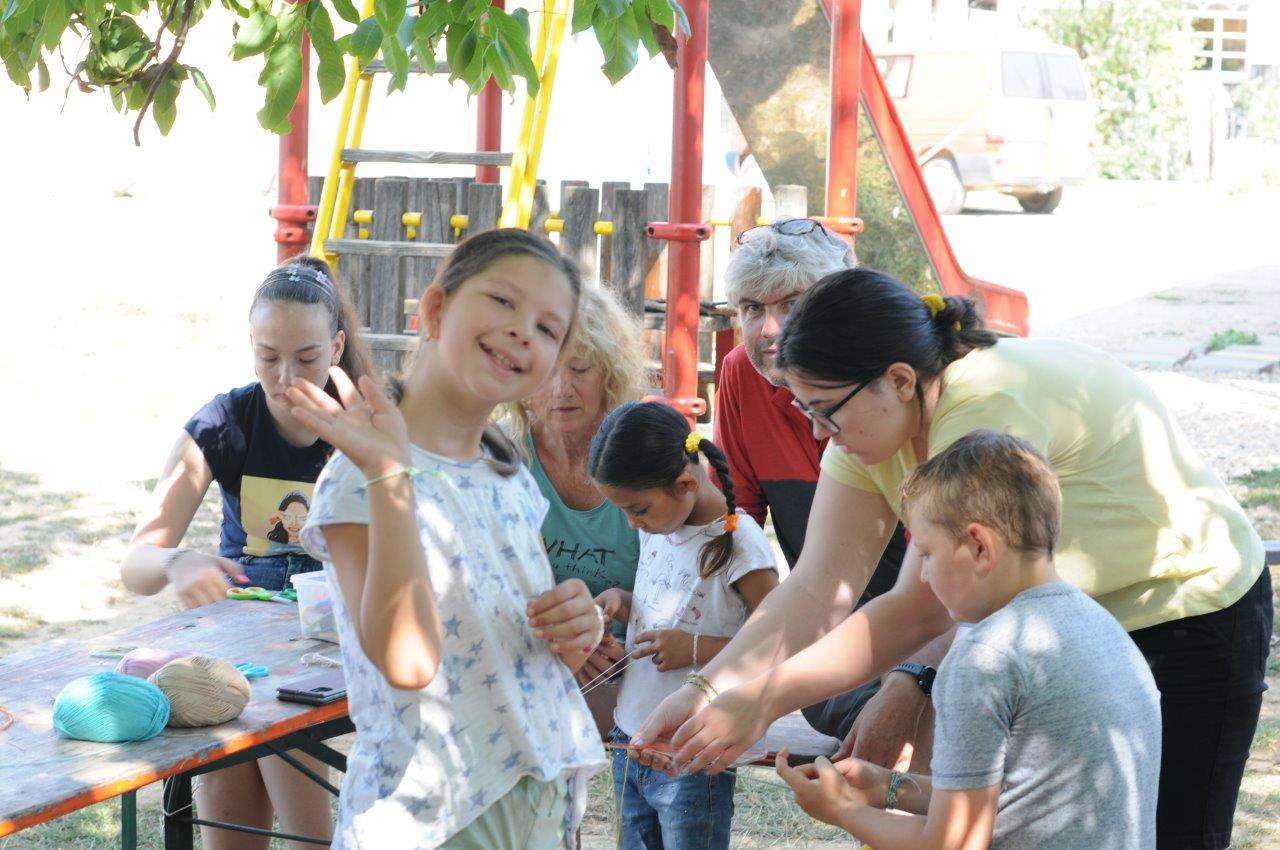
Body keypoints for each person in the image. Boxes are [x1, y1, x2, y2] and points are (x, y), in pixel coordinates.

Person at [634, 268, 1271, 850]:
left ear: (900, 380)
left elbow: (920, 609)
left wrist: (766, 701)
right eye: (805, 409)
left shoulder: (981, 418)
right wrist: (711, 687)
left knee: (1175, 833)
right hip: (1068, 628)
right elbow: (817, 588)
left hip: (1185, 607)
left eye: (824, 409)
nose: (817, 433)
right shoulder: (869, 427)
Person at [290, 229, 608, 850]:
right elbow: (407, 664)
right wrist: (390, 478)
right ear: (435, 309)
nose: (523, 331)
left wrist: (580, 627)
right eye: (504, 302)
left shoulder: (509, 472)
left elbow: (523, 652)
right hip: (434, 817)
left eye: (549, 328)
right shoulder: (363, 470)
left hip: (539, 793)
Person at [777, 430, 1161, 849]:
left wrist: (841, 811)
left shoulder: (985, 658)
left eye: (927, 553)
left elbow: (951, 843)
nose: (922, 575)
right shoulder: (1097, 625)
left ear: (979, 546)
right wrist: (889, 786)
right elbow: (1015, 800)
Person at [120, 255, 370, 848]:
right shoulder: (225, 421)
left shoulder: (369, 425)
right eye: (267, 357)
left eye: (307, 358)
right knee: (230, 803)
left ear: (336, 347)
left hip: (324, 659)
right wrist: (179, 562)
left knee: (280, 750)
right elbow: (137, 565)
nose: (285, 378)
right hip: (238, 656)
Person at [717, 218, 922, 764]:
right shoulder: (739, 374)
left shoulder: (895, 383)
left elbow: (936, 599)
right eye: (751, 309)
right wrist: (715, 676)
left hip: (930, 605)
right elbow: (734, 527)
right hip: (831, 623)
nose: (769, 329)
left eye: (791, 305)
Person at [589, 401, 779, 850]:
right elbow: (674, 609)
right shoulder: (659, 526)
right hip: (631, 738)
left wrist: (694, 650)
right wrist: (625, 603)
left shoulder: (740, 543)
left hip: (691, 752)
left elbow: (776, 640)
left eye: (637, 509)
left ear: (686, 484)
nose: (631, 523)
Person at [505, 287, 647, 734]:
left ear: (610, 371)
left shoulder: (644, 452)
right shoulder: (505, 457)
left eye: (580, 370)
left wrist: (626, 647)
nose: (562, 389)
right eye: (547, 371)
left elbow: (682, 591)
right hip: (532, 652)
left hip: (633, 660)